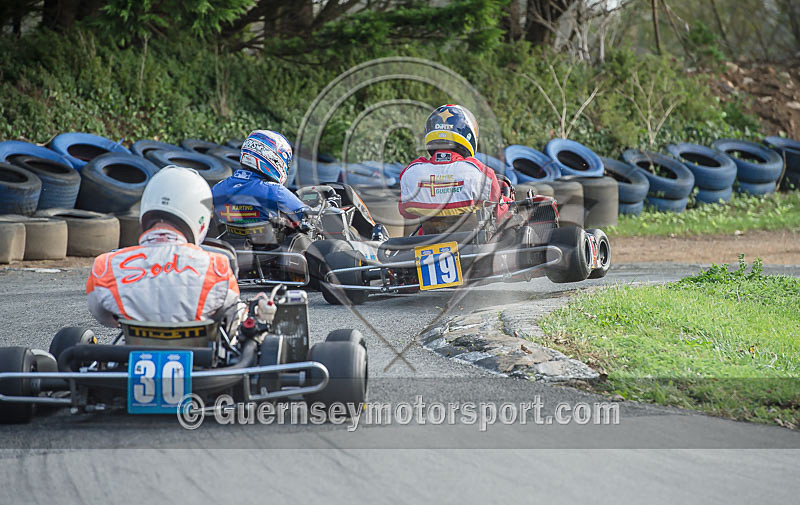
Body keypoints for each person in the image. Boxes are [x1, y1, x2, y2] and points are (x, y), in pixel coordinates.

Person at [86, 165, 240, 326]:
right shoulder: (218, 267)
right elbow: (233, 319)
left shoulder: (105, 266)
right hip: (198, 348)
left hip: (134, 347)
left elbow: (105, 318)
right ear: (200, 218)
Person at [398, 104, 511, 223]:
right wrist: (507, 199)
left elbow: (406, 213)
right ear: (468, 133)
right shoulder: (480, 173)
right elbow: (499, 213)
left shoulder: (410, 173)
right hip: (472, 238)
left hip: (428, 238)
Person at [212, 129, 309, 225]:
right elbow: (305, 214)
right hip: (262, 240)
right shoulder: (275, 191)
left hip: (223, 239)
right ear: (274, 158)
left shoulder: (218, 187)